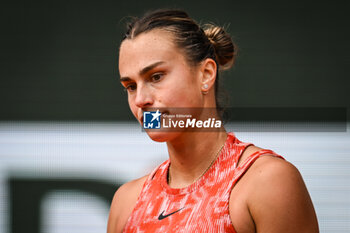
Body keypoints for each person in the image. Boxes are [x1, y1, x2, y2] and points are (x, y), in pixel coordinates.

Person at [107, 9, 319, 233]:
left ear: (206, 74)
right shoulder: (125, 202)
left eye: (156, 77)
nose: (140, 99)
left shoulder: (268, 182)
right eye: (130, 86)